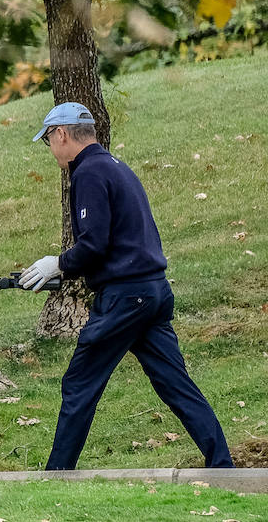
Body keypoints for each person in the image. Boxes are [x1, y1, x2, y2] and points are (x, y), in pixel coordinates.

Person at [20, 101, 234, 470]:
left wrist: (58, 264)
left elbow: (94, 244)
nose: (51, 150)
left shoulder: (87, 172)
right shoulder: (117, 167)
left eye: (49, 141)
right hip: (153, 291)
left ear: (62, 134)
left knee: (79, 384)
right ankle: (222, 465)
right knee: (175, 384)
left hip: (124, 297)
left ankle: (56, 474)